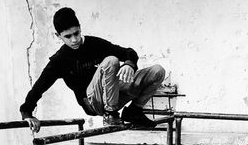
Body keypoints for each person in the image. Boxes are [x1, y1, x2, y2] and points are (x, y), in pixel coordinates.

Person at [19, 7, 165, 131]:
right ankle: (110, 114)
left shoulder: (95, 43)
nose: (74, 40)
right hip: (92, 102)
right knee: (111, 61)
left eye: (76, 33)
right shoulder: (59, 60)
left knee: (157, 71)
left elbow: (128, 52)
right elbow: (39, 87)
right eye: (68, 36)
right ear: (58, 36)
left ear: (80, 28)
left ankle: (134, 111)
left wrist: (129, 64)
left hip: (114, 93)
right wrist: (27, 113)